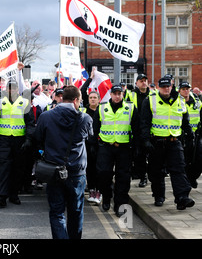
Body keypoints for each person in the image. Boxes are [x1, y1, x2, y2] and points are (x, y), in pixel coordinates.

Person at [34, 85, 92, 239]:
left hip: (53, 170)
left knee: (57, 212)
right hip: (77, 172)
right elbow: (90, 139)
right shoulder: (85, 118)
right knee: (76, 212)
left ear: (62, 98)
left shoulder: (46, 117)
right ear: (75, 100)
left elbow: (38, 140)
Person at [140, 76, 195, 210]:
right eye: (163, 86)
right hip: (157, 142)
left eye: (168, 86)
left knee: (179, 169)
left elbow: (185, 121)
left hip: (174, 141)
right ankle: (159, 196)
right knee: (156, 171)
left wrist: (189, 135)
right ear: (159, 87)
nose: (166, 89)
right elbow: (144, 123)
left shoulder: (180, 101)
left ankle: (182, 197)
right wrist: (146, 140)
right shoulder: (150, 100)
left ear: (172, 87)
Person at [93, 85, 139, 216]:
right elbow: (95, 129)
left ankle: (120, 205)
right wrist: (93, 146)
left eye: (120, 93)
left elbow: (136, 129)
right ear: (111, 95)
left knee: (123, 178)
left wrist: (136, 147)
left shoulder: (130, 108)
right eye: (115, 93)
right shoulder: (102, 108)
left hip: (124, 147)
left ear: (123, 94)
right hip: (106, 147)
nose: (117, 96)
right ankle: (106, 197)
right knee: (103, 174)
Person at [0, 80, 35, 207]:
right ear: (6, 89)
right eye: (9, 88)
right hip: (4, 139)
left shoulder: (25, 103)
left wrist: (28, 139)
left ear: (18, 90)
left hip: (19, 140)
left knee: (18, 168)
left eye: (14, 88)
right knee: (3, 167)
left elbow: (30, 123)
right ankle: (1, 196)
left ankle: (13, 194)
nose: (12, 91)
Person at [79, 67, 101, 204]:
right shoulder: (84, 110)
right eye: (91, 97)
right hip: (87, 144)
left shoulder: (102, 110)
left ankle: (99, 191)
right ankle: (92, 190)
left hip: (99, 144)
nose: (92, 99)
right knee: (90, 169)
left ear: (99, 99)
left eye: (95, 98)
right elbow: (81, 91)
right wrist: (90, 79)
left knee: (100, 168)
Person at [126, 73, 151, 188]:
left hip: (150, 129)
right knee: (139, 154)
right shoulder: (131, 95)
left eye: (145, 80)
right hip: (136, 129)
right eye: (141, 81)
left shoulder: (153, 95)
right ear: (136, 83)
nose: (144, 82)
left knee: (150, 154)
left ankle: (148, 175)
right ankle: (142, 176)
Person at [178, 81, 202, 188]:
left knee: (198, 159)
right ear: (179, 91)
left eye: (187, 89)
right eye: (183, 89)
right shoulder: (176, 102)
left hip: (196, 136)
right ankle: (187, 180)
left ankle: (192, 177)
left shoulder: (197, 102)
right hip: (181, 136)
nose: (186, 91)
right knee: (184, 160)